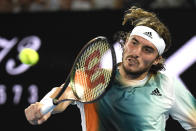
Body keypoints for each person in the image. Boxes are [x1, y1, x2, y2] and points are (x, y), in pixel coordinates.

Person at [24, 6, 196, 131]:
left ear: (157, 60)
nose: (136, 52)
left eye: (147, 50)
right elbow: (63, 93)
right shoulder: (93, 78)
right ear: (126, 42)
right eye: (134, 42)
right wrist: (43, 107)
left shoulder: (168, 85)